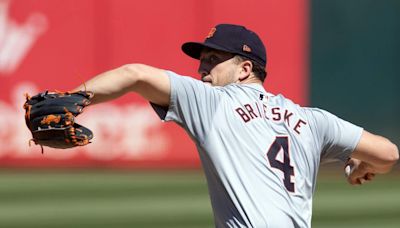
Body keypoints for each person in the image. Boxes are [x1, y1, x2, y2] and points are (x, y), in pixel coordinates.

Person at [73, 24, 398, 227]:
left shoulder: (213, 102)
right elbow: (388, 153)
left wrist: (72, 100)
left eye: (214, 60)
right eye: (202, 60)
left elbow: (135, 74)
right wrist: (358, 165)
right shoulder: (312, 120)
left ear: (244, 69)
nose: (202, 68)